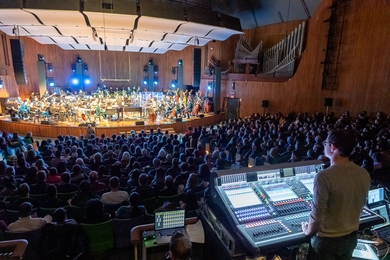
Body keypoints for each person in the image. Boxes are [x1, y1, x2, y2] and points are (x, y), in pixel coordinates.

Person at [301, 129, 371, 259]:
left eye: (325, 143)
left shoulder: (324, 176)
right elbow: (360, 205)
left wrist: (308, 230)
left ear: (332, 147)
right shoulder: (363, 173)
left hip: (327, 242)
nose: (324, 146)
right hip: (351, 239)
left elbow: (317, 214)